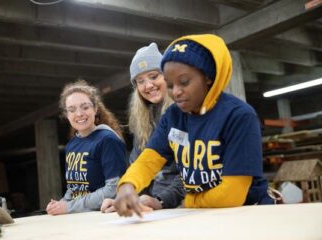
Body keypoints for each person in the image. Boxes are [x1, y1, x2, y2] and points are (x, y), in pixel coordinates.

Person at [113, 34, 274, 217]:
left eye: (184, 82)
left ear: (207, 77)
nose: (176, 92)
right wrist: (127, 186)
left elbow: (231, 195)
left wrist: (189, 200)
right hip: (201, 215)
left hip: (247, 213)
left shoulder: (239, 116)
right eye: (170, 85)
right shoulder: (173, 116)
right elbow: (147, 161)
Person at [101, 43, 185, 213]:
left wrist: (161, 200)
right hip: (155, 206)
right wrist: (125, 197)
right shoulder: (143, 121)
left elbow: (192, 171)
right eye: (141, 81)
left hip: (183, 204)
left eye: (154, 76)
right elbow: (137, 165)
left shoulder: (184, 111)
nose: (148, 85)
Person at [46, 80, 127, 215]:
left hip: (103, 216)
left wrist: (69, 207)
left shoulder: (108, 140)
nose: (79, 114)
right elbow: (74, 188)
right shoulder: (72, 145)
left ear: (95, 109)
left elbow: (113, 190)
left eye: (85, 107)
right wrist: (60, 204)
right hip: (80, 217)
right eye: (72, 109)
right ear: (66, 114)